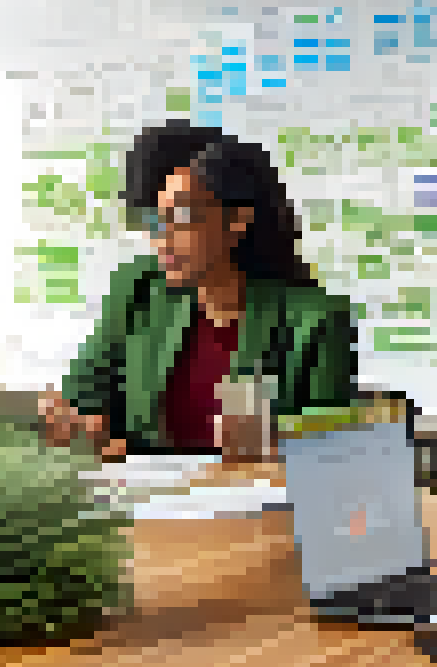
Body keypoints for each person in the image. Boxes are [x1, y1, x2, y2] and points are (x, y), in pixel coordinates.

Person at [41, 121, 357, 461]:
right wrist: (87, 425)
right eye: (156, 221)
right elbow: (86, 390)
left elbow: (330, 446)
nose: (163, 238)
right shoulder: (140, 287)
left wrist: (269, 440)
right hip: (148, 500)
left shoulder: (316, 319)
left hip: (258, 503)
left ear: (237, 220)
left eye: (182, 216)